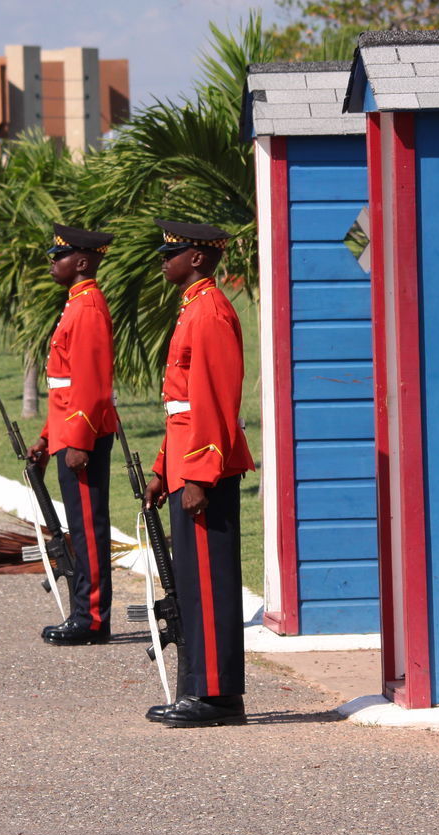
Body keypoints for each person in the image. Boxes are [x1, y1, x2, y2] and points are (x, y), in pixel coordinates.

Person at [143, 219, 254, 727]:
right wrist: (165, 469)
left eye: (174, 252)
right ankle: (203, 689)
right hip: (188, 463)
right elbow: (180, 409)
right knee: (192, 582)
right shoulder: (192, 309)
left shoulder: (208, 312)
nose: (164, 260)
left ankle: (214, 696)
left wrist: (201, 475)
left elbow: (214, 400)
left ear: (199, 259)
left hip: (204, 470)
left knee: (209, 584)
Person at [28, 224, 119, 646]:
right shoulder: (76, 304)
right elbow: (64, 385)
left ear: (82, 262)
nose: (52, 262)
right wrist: (49, 437)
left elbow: (92, 383)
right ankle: (86, 611)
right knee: (79, 526)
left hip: (82, 438)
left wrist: (78, 441)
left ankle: (93, 617)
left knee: (87, 527)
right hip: (68, 433)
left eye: (58, 256)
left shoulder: (87, 308)